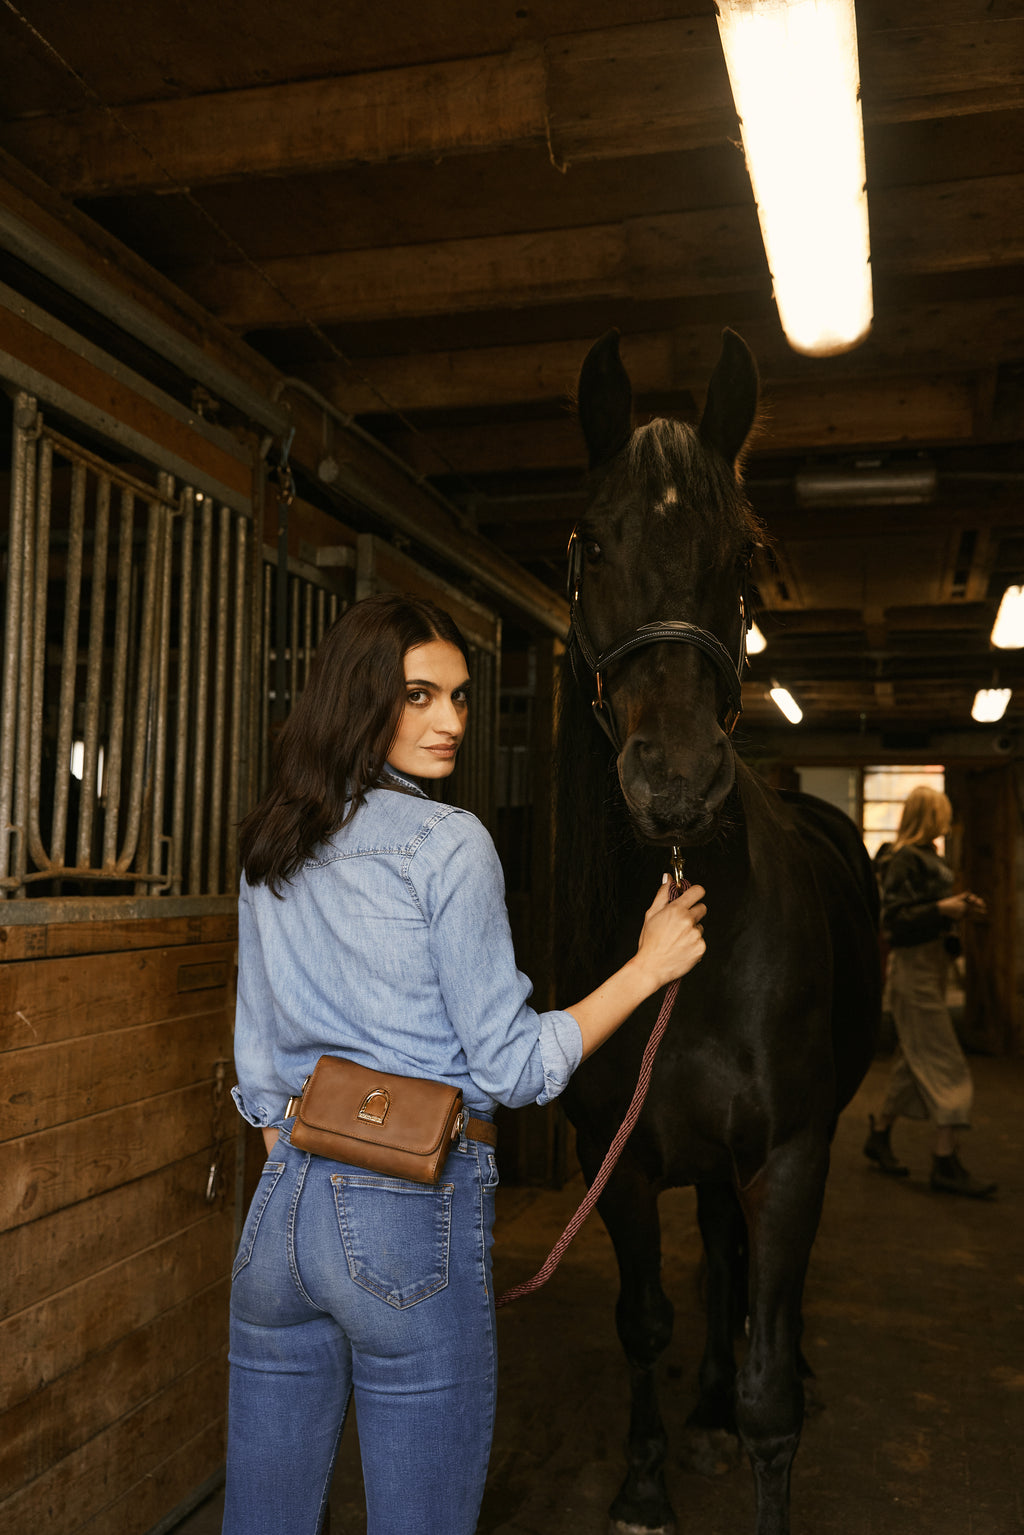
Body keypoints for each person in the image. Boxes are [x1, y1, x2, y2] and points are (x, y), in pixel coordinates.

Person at [222, 593, 708, 1535]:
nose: (450, 720)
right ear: (360, 699)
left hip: (279, 1217)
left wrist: (297, 1146)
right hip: (407, 1210)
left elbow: (258, 1064)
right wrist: (647, 967)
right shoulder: (448, 844)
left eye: (460, 695)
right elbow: (512, 1065)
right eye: (419, 695)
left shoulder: (271, 839)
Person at [863, 784, 996, 1199]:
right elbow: (894, 921)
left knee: (913, 1061)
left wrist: (957, 906)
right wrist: (943, 909)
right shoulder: (903, 858)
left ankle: (879, 1135)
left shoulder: (931, 856)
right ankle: (945, 1162)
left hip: (933, 966)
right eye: (941, 813)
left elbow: (927, 909)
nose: (947, 821)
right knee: (946, 1064)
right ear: (928, 815)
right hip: (914, 970)